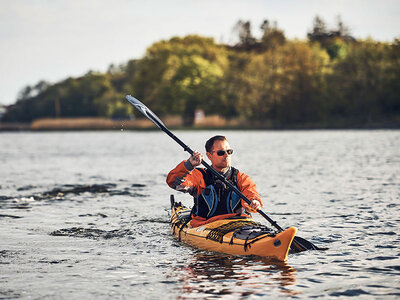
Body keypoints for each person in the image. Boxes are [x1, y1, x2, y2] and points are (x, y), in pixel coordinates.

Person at [166, 135, 262, 227]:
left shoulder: (241, 178)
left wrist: (254, 202)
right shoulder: (200, 176)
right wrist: (189, 165)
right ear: (209, 156)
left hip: (238, 224)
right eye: (221, 153)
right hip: (205, 225)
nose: (226, 155)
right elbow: (174, 182)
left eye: (229, 151)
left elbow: (251, 193)